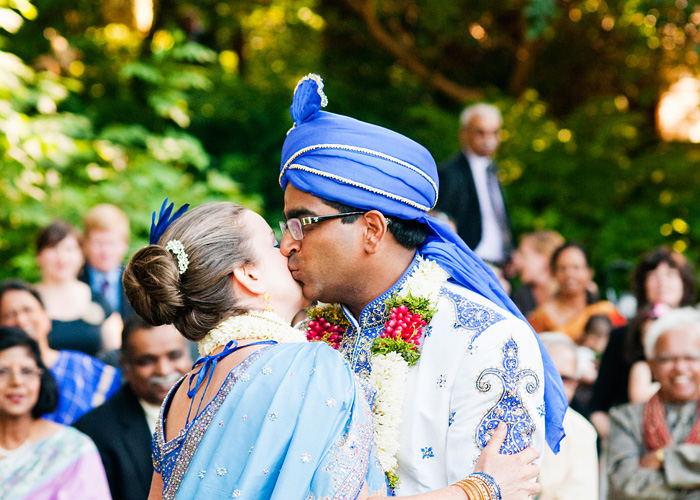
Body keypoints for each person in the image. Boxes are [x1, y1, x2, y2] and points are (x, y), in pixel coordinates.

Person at [124, 200, 541, 500]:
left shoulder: (182, 392)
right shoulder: (306, 366)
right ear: (249, 275)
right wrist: (482, 489)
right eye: (272, 242)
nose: (287, 247)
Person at [278, 74, 566, 496]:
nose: (286, 244)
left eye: (302, 223)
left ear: (372, 230)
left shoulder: (485, 338)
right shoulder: (300, 335)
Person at [75, 314, 191, 500]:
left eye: (174, 356)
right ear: (125, 365)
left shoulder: (217, 409)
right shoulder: (94, 432)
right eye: (147, 361)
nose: (164, 370)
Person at [589, 246, 696, 438]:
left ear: (684, 284)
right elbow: (597, 408)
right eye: (654, 275)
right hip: (632, 436)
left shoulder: (697, 334)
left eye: (671, 274)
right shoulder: (621, 337)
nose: (662, 282)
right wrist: (619, 441)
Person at [0, 326, 112, 500]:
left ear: (41, 378)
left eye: (27, 371)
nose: (17, 381)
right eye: (3, 372)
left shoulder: (72, 448)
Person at [606, 307, 700, 499]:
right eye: (668, 359)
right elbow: (624, 486)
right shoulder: (625, 419)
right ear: (652, 366)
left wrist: (663, 458)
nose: (680, 367)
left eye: (690, 358)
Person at [0, 279, 121, 424]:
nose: (21, 320)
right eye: (10, 314)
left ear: (47, 318)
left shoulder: (85, 368)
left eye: (28, 310)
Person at [435, 103, 511, 266]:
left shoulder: (493, 171)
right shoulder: (450, 172)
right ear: (464, 134)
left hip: (501, 263)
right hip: (470, 261)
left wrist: (510, 250)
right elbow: (441, 219)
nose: (489, 140)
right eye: (480, 132)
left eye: (495, 133)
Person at [35, 220, 122, 356]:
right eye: (53, 248)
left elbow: (117, 352)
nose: (61, 257)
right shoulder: (28, 301)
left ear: (81, 256)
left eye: (68, 249)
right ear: (39, 256)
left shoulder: (97, 299)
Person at [537, 332, 598, 500]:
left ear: (575, 384)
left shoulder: (582, 431)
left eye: (565, 379)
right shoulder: (499, 420)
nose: (555, 385)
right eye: (548, 374)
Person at [527, 242, 626, 341]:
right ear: (554, 273)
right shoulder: (543, 316)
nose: (569, 274)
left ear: (589, 273)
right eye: (563, 268)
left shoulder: (605, 310)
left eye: (576, 267)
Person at [79, 204, 134, 319]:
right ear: (85, 244)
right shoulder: (75, 279)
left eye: (112, 243)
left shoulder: (137, 282)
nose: (105, 252)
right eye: (98, 243)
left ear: (125, 244)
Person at [510, 231, 565, 317]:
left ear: (547, 257)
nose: (516, 261)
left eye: (524, 254)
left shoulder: (575, 293)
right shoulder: (520, 297)